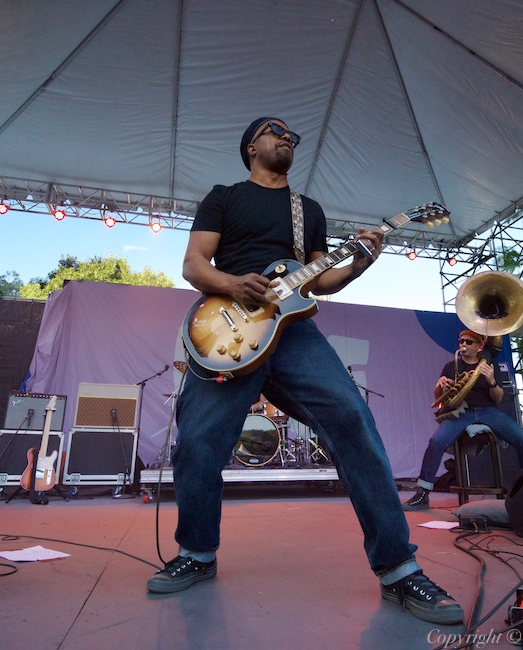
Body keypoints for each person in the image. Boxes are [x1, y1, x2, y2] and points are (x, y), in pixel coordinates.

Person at [146, 116, 463, 625]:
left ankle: (400, 570)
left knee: (354, 422)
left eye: (292, 135)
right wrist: (233, 284)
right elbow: (194, 265)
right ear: (252, 145)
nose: (286, 138)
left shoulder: (306, 210)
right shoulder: (224, 196)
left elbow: (322, 278)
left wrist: (360, 262)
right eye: (275, 132)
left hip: (292, 333)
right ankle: (197, 555)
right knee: (198, 441)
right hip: (227, 330)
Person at [403, 329, 523, 511]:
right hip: (461, 412)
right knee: (436, 442)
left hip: (488, 410)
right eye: (461, 341)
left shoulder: (489, 365)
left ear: (479, 346)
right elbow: (439, 398)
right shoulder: (450, 367)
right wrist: (440, 387)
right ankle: (423, 494)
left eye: (468, 342)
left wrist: (491, 380)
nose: (463, 345)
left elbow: (497, 398)